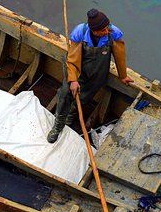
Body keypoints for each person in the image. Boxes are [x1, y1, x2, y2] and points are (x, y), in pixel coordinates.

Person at [47, 9, 133, 143]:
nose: (106, 31)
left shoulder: (113, 32)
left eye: (107, 28)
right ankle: (58, 125)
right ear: (94, 31)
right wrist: (73, 80)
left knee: (84, 97)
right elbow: (73, 59)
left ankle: (71, 114)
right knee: (65, 94)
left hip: (98, 72)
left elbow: (120, 55)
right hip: (77, 69)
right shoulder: (80, 33)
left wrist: (123, 76)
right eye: (102, 30)